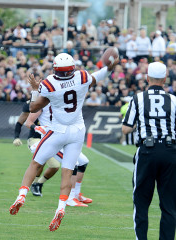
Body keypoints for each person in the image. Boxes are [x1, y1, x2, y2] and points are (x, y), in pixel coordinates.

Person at [9, 53, 119, 231]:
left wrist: (36, 89)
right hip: (77, 131)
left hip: (57, 131)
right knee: (68, 171)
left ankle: (21, 196)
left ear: (55, 69)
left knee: (35, 163)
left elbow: (34, 107)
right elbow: (98, 76)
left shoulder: (50, 83)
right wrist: (109, 67)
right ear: (72, 67)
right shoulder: (82, 76)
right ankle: (61, 208)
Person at [122, 62, 176, 240]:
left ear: (147, 78)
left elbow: (126, 129)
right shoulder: (174, 99)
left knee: (141, 202)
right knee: (169, 204)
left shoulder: (138, 98)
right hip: (170, 151)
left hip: (147, 151)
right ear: (165, 79)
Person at [25, 103, 92, 206]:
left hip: (64, 137)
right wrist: (37, 128)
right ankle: (70, 198)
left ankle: (76, 195)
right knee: (73, 164)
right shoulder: (43, 102)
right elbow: (28, 121)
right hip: (52, 140)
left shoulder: (62, 100)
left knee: (83, 162)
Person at [12, 102, 60, 197]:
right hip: (35, 139)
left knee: (55, 167)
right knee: (44, 162)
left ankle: (38, 183)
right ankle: (31, 186)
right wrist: (16, 137)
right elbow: (20, 122)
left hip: (52, 138)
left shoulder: (56, 101)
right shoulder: (33, 104)